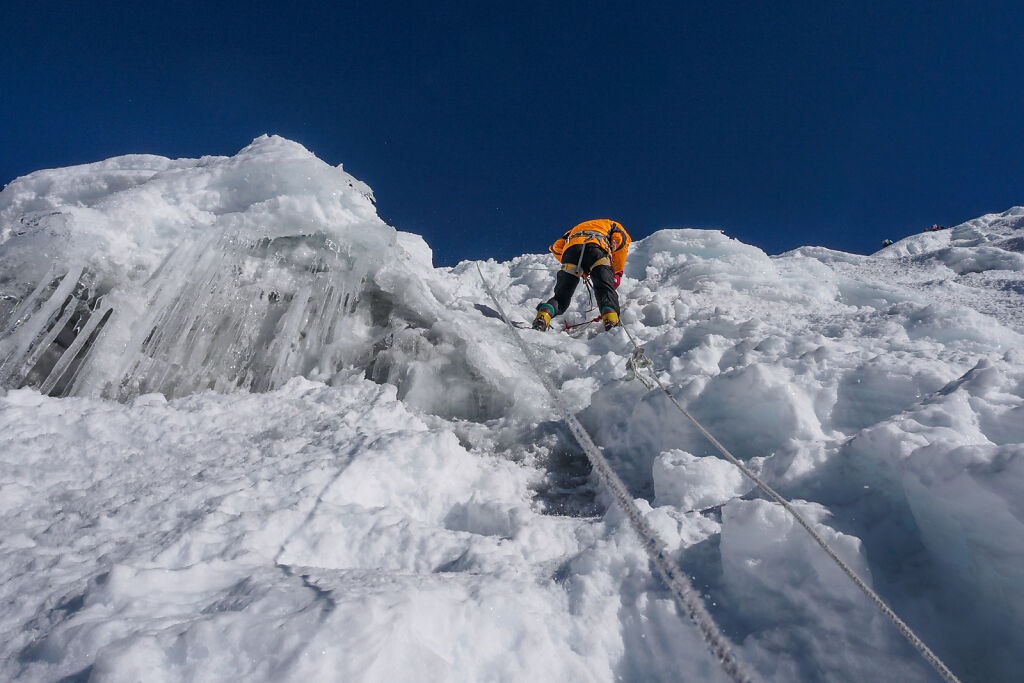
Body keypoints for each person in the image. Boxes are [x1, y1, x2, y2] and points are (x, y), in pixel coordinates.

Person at [533, 219, 631, 332]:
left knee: (561, 297)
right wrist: (617, 272)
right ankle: (612, 324)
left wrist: (575, 267)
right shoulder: (613, 225)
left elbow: (556, 247)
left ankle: (543, 316)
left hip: (571, 251)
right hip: (596, 248)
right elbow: (620, 241)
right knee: (605, 291)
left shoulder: (574, 229)